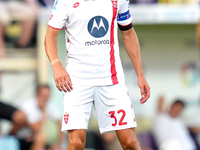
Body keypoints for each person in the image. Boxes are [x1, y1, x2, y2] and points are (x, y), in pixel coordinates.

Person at [45, 0, 150, 149]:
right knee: (76, 144)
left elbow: (128, 33)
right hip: (77, 81)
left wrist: (140, 74)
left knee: (130, 143)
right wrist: (56, 65)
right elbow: (50, 35)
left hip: (111, 80)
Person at [16, 84, 63, 150]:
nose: (46, 98)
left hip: (44, 139)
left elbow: (60, 124)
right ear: (38, 95)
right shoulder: (28, 105)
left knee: (56, 148)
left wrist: (58, 143)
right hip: (25, 138)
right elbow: (36, 128)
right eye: (44, 95)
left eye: (48, 96)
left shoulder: (50, 105)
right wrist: (43, 112)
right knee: (40, 138)